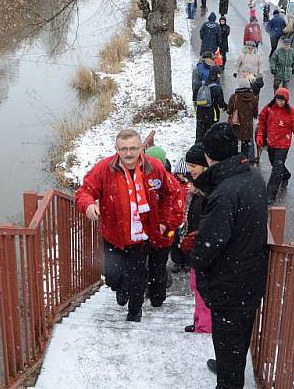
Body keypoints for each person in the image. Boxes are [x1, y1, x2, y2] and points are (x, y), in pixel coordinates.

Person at [75, 129, 183, 322]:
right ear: (117, 149)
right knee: (112, 277)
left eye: (133, 148)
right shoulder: (105, 168)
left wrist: (165, 222)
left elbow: (173, 193)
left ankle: (135, 312)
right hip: (113, 236)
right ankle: (120, 287)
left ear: (141, 147)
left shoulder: (154, 167)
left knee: (137, 278)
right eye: (124, 149)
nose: (129, 153)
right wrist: (89, 205)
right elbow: (84, 191)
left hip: (141, 238)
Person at [190, 123, 268, 389]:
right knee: (236, 340)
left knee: (228, 338)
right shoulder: (251, 175)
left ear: (210, 157)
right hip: (248, 277)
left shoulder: (225, 193)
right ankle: (228, 367)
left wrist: (195, 257)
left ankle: (228, 379)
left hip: (230, 285)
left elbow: (210, 245)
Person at [144, 146, 185, 304]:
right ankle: (148, 291)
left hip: (163, 235)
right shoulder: (141, 178)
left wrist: (166, 225)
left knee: (158, 265)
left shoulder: (171, 183)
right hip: (145, 233)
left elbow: (177, 211)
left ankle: (157, 296)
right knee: (145, 264)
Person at [178, 144, 211, 334]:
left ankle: (204, 327)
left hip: (204, 249)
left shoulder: (209, 191)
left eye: (193, 166)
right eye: (189, 165)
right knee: (196, 286)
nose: (190, 170)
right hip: (197, 249)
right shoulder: (197, 189)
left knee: (202, 288)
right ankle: (199, 321)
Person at [256, 88, 294, 204]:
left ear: (286, 100)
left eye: (282, 101)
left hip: (283, 144)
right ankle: (286, 175)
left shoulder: (292, 113)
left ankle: (270, 194)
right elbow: (262, 120)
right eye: (278, 100)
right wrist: (260, 134)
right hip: (271, 142)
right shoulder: (269, 108)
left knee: (276, 169)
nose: (279, 103)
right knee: (275, 164)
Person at [227, 78, 259, 162]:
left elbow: (229, 110)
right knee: (246, 145)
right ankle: (245, 161)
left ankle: (235, 161)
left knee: (234, 143)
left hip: (236, 126)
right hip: (247, 126)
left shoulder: (234, 97)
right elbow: (255, 114)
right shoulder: (254, 98)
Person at [194, 65, 226, 142]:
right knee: (210, 134)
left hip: (200, 113)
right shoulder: (217, 88)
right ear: (217, 75)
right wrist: (226, 107)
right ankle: (208, 150)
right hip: (212, 114)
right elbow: (221, 103)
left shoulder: (200, 85)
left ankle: (198, 149)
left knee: (200, 134)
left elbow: (195, 97)